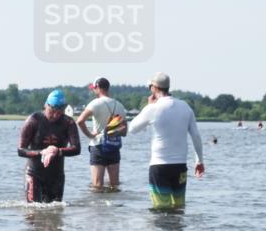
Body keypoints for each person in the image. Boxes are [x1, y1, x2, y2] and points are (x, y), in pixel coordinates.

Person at [127, 72, 205, 210]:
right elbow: (196, 136)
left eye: (150, 86)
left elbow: (132, 128)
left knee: (161, 210)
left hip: (159, 166)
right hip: (180, 166)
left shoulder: (152, 108)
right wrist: (199, 161)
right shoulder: (185, 107)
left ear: (154, 88)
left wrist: (148, 106)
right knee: (179, 208)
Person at [17, 90, 81, 203]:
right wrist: (42, 152)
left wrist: (57, 151)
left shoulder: (68, 123)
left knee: (54, 215)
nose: (55, 115)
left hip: (56, 177)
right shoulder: (33, 120)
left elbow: (76, 148)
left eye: (60, 111)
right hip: (34, 173)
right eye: (52, 111)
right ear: (46, 105)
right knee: (33, 213)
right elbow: (20, 150)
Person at [76, 76, 128, 191]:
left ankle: (98, 208)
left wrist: (90, 135)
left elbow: (80, 121)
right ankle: (114, 208)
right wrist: (114, 131)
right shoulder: (119, 105)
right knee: (114, 185)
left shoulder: (95, 103)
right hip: (113, 146)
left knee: (97, 185)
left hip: (98, 145)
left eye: (94, 88)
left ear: (98, 88)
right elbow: (124, 132)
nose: (93, 90)